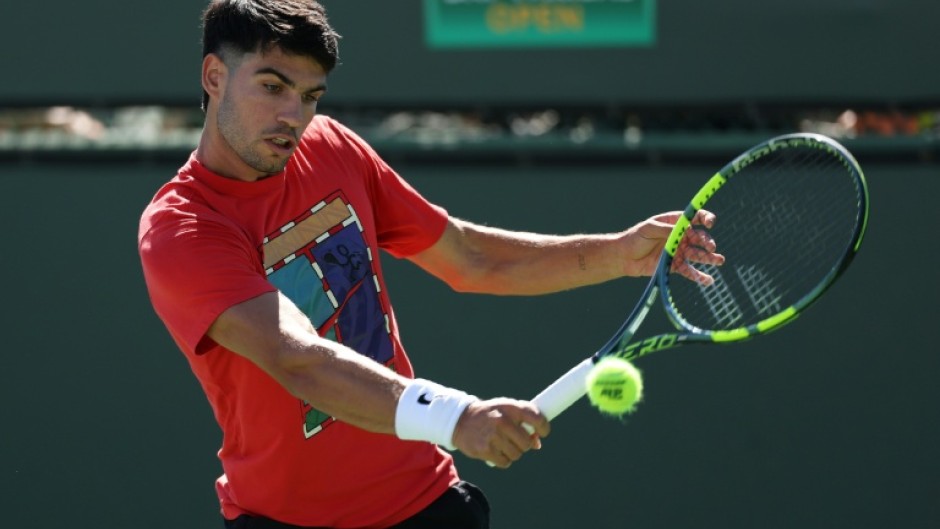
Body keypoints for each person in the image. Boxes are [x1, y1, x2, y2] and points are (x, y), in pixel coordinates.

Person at [137, 1, 723, 528]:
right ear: (215, 77)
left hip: (422, 504)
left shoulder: (333, 148)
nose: (294, 115)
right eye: (272, 86)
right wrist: (457, 416)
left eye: (310, 96)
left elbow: (467, 257)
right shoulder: (182, 230)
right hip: (282, 520)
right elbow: (297, 358)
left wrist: (617, 253)